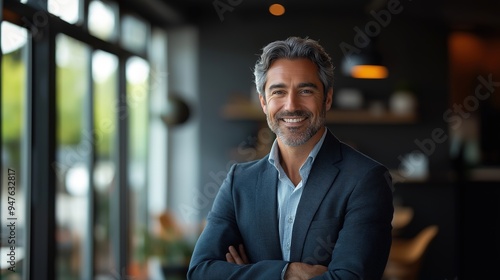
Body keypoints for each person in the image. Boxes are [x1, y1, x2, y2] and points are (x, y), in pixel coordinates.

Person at [187, 36, 394, 280]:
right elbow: (201, 272)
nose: (291, 105)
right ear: (264, 102)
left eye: (305, 90)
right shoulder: (238, 182)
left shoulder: (365, 179)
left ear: (327, 98)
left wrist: (245, 273)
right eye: (279, 91)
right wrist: (287, 272)